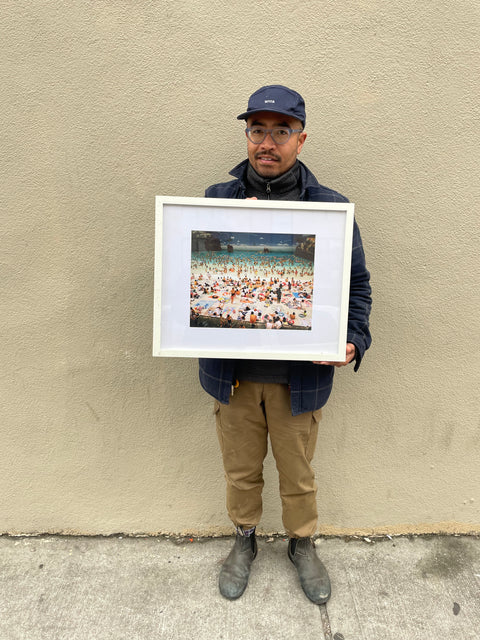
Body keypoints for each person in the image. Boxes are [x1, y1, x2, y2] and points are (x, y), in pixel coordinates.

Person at [198, 85, 372, 603]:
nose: (267, 142)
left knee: (298, 474)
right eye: (257, 130)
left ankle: (302, 544)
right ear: (246, 136)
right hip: (234, 375)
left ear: (301, 139)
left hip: (300, 378)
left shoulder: (331, 209)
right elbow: (187, 281)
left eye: (281, 131)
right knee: (240, 469)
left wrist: (353, 340)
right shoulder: (214, 201)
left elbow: (356, 286)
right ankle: (244, 539)